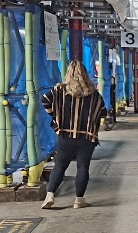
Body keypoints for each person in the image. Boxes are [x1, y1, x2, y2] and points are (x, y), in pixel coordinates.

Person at [41, 60, 107, 209]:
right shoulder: (93, 94)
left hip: (65, 135)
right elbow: (103, 111)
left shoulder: (59, 91)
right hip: (86, 137)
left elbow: (44, 100)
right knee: (83, 167)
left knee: (60, 166)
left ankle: (50, 195)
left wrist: (55, 117)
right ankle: (79, 200)